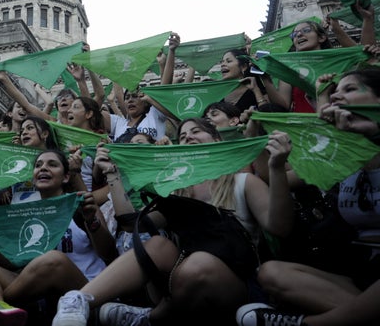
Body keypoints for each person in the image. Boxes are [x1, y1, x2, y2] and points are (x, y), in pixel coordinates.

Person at [51, 117, 295, 326]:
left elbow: (279, 228)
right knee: (157, 246)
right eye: (183, 135)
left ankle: (152, 318)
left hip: (237, 285)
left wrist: (276, 167)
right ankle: (78, 301)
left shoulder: (243, 182)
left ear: (217, 140)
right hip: (181, 279)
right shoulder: (177, 191)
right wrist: (113, 174)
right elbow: (129, 224)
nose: (188, 137)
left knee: (197, 264)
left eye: (196, 131)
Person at [236, 67, 380, 326]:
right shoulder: (337, 154)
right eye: (336, 91)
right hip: (362, 272)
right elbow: (274, 179)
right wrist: (259, 145)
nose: (337, 96)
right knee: (270, 273)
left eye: (350, 89)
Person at [0, 149, 117, 326]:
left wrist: (91, 220)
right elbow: (12, 262)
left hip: (85, 291)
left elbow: (108, 253)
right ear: (33, 177)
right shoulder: (26, 213)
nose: (43, 168)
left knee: (53, 261)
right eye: (38, 166)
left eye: (52, 164)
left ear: (66, 177)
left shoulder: (81, 203)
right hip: (40, 293)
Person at [260, 20, 332, 112]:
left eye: (306, 30)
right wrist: (265, 78)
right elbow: (283, 105)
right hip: (305, 124)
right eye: (294, 35)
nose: (299, 35)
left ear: (321, 37)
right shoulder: (290, 69)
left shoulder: (338, 63)